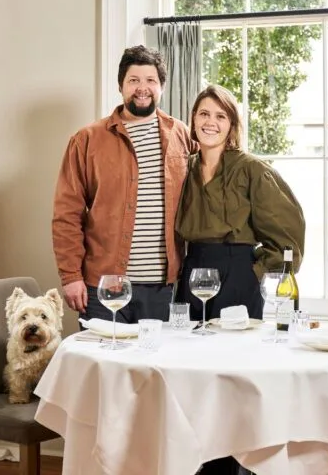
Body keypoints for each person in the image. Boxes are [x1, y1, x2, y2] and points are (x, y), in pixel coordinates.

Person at [174, 84, 305, 475]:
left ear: (231, 126)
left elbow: (289, 238)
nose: (210, 122)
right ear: (193, 121)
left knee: (235, 383)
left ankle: (240, 468)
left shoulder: (251, 169)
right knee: (193, 380)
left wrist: (253, 269)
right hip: (191, 271)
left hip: (236, 276)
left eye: (220, 116)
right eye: (203, 114)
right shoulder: (183, 169)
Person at [52, 45, 194, 324]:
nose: (143, 88)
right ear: (121, 86)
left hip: (164, 289)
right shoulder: (87, 140)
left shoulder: (181, 135)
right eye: (134, 80)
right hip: (104, 287)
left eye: (151, 80)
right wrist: (71, 277)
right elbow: (66, 215)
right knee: (101, 366)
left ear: (161, 86)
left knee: (155, 366)